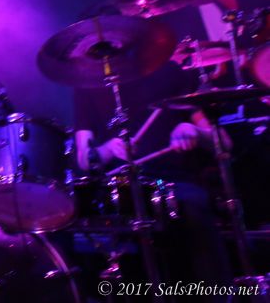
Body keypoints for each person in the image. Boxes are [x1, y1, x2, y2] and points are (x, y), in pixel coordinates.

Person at [73, 61, 233, 296]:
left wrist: (195, 131)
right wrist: (108, 149)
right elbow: (83, 159)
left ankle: (214, 294)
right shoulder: (87, 85)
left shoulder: (169, 72)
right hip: (121, 186)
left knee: (192, 205)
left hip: (174, 182)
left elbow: (224, 142)